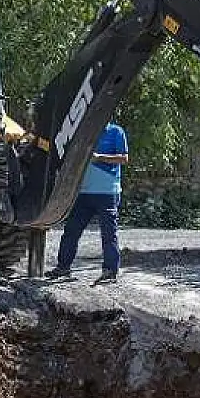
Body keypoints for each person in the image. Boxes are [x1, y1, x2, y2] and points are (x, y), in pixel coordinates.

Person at [45, 121, 129, 283]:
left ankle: (110, 271)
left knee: (108, 233)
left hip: (107, 192)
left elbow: (124, 158)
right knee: (71, 231)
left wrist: (99, 158)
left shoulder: (116, 132)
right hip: (83, 192)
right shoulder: (84, 131)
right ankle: (63, 267)